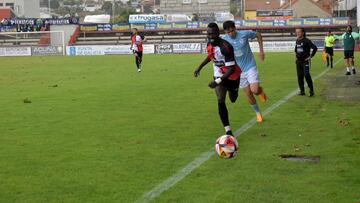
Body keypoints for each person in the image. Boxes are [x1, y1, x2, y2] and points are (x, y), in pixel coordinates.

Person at [194, 23, 241, 136]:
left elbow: (231, 69)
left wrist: (217, 81)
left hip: (233, 75)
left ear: (218, 33)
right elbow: (211, 56)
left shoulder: (226, 47)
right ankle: (228, 131)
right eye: (208, 33)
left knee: (233, 98)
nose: (210, 36)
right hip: (219, 72)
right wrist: (199, 67)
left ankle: (233, 90)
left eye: (213, 33)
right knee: (220, 99)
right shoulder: (209, 43)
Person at [222, 20, 267, 123]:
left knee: (255, 90)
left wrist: (261, 51)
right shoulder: (224, 40)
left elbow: (258, 34)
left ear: (235, 28)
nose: (231, 33)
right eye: (228, 32)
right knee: (248, 93)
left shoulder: (244, 34)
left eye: (232, 31)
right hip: (238, 71)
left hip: (250, 65)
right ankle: (258, 113)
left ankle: (261, 91)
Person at [294, 28, 318, 97]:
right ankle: (302, 91)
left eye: (299, 32)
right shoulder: (297, 40)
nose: (297, 33)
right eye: (296, 32)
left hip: (305, 61)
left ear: (303, 33)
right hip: (298, 62)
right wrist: (295, 58)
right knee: (300, 76)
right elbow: (296, 50)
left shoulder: (307, 40)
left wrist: (311, 56)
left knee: (307, 75)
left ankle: (311, 90)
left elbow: (315, 48)